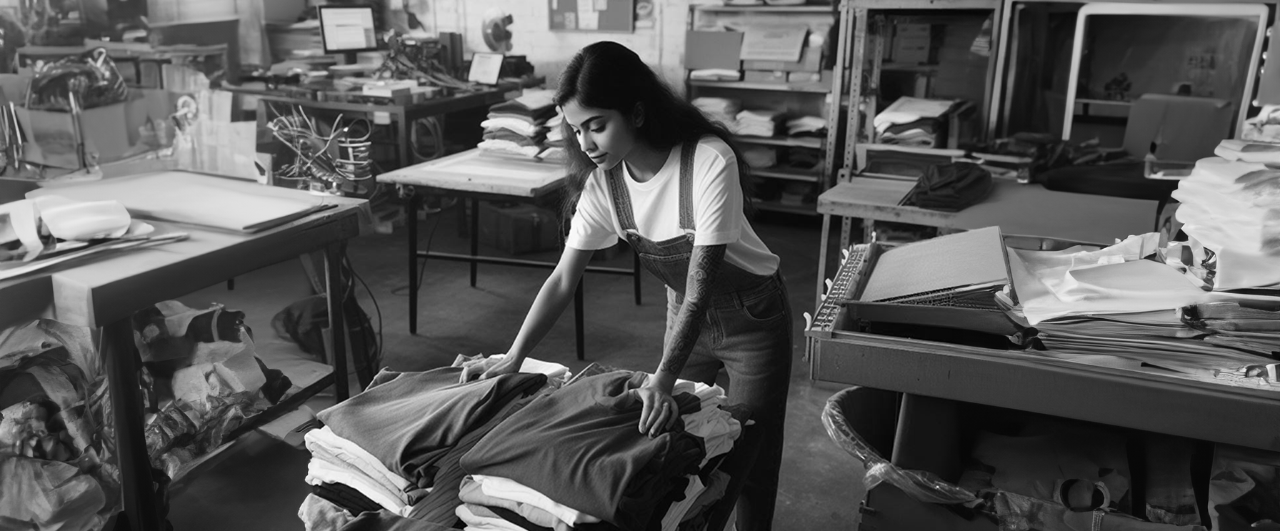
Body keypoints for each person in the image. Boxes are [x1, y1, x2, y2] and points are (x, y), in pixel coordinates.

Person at [460, 41, 793, 531]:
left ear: (637, 112)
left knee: (752, 452)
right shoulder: (603, 185)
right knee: (677, 441)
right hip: (683, 314)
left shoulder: (706, 161)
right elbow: (561, 280)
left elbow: (703, 287)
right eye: (576, 129)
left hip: (752, 319)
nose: (587, 143)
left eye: (597, 125)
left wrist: (660, 377)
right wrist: (512, 357)